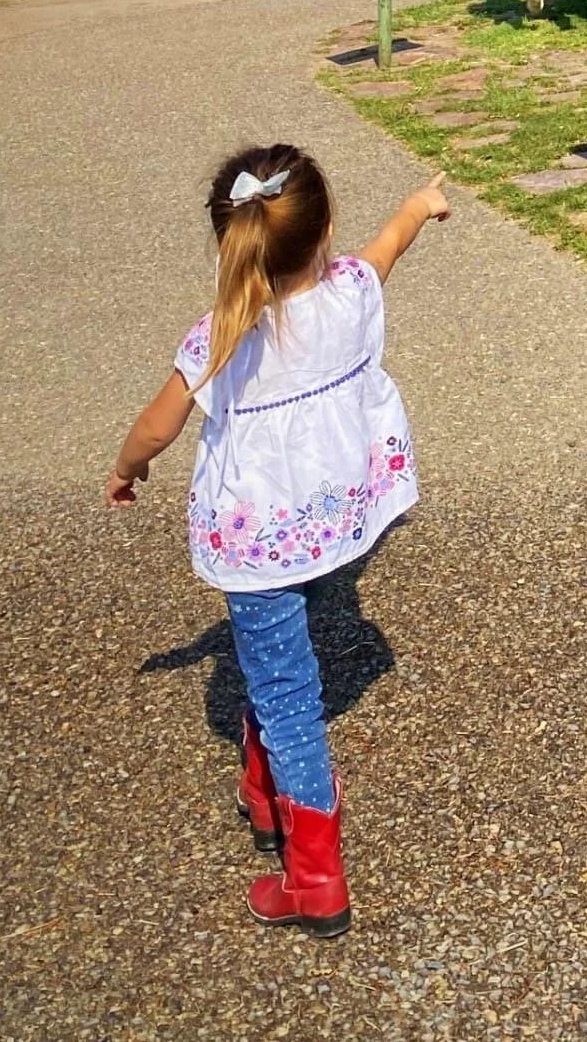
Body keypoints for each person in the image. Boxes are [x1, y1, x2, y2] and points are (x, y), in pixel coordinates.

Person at [107, 144, 450, 937]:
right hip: (334, 530)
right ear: (324, 230)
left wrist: (127, 467)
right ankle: (263, 795)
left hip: (257, 553)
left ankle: (316, 880)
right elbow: (391, 244)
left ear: (233, 240)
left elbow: (157, 426)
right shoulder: (351, 292)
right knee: (280, 668)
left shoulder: (220, 338)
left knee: (289, 697)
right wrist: (419, 204)